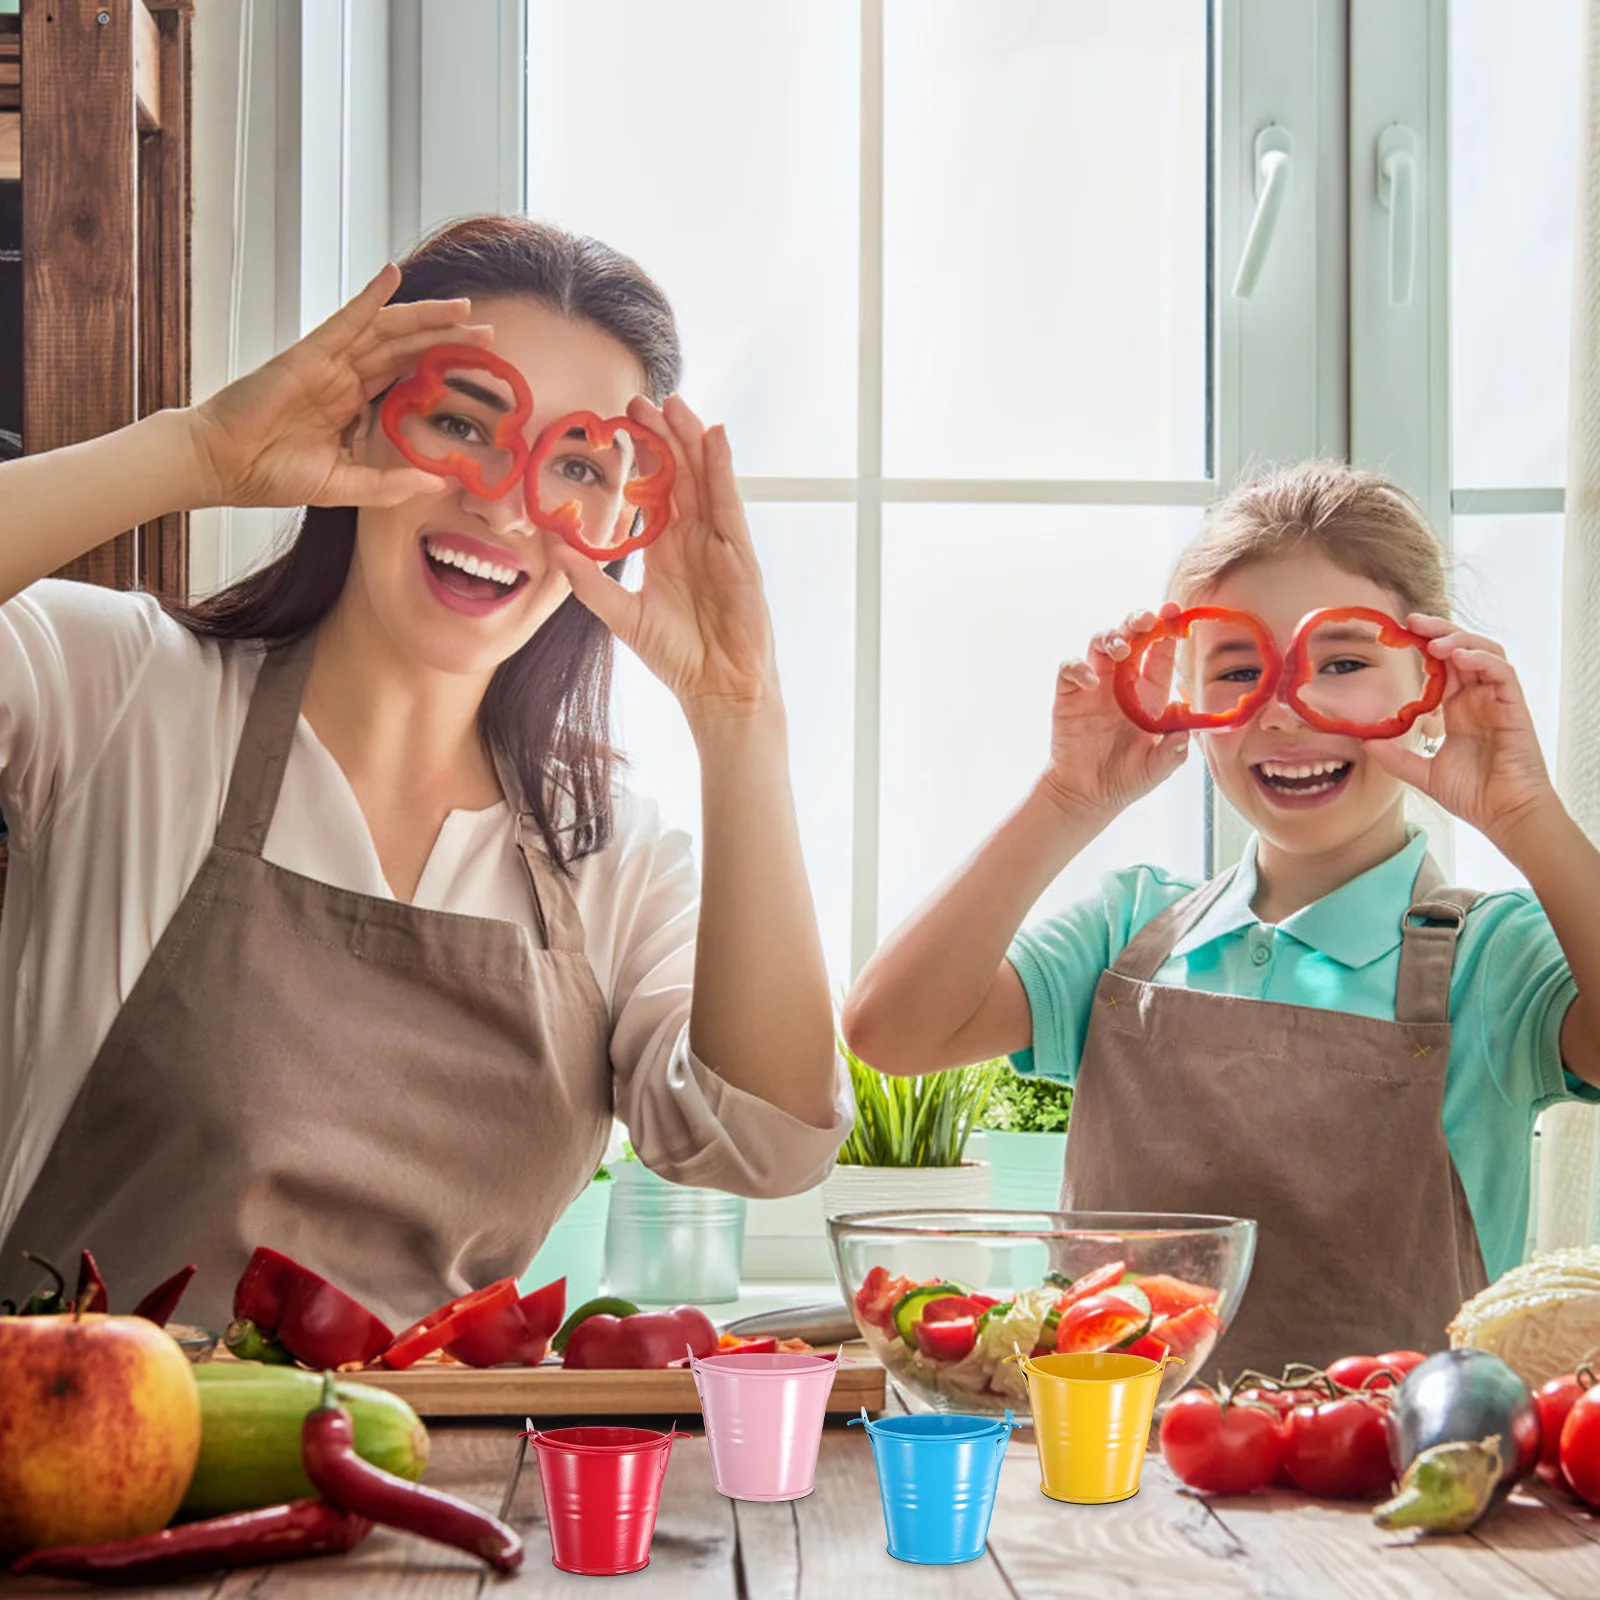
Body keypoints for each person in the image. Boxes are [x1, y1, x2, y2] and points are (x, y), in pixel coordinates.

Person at [0, 216, 849, 1331]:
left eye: (578, 465)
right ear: (364, 420)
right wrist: (198, 451)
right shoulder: (118, 693)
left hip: (445, 1490)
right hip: (75, 1475)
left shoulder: (609, 860)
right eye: (462, 422)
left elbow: (770, 1141)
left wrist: (741, 719)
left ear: (618, 525)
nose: (501, 505)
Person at [842, 461, 1600, 1378]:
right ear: (1189, 707)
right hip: (1115, 1488)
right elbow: (890, 1030)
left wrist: (1525, 814)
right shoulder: (1129, 933)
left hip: (1390, 1496)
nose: (1285, 710)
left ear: (1429, 683)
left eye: (1346, 664)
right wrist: (1067, 795)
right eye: (1238, 671)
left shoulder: (1493, 955)